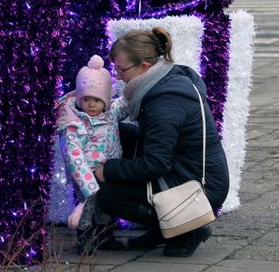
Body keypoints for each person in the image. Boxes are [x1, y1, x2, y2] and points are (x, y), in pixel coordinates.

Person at [93, 27, 230, 257]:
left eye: (121, 70)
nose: (118, 76)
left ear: (144, 67)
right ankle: (164, 228)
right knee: (119, 133)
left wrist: (109, 170)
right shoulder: (163, 80)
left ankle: (187, 230)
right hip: (186, 168)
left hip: (200, 187)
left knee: (108, 195)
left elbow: (156, 164)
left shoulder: (165, 101)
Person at [56, 55, 128, 255]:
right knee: (87, 207)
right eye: (86, 99)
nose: (91, 104)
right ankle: (85, 239)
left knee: (107, 204)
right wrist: (87, 183)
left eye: (97, 100)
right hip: (86, 176)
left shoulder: (112, 114)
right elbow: (73, 154)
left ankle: (105, 235)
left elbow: (128, 101)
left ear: (105, 100)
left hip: (109, 170)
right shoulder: (74, 123)